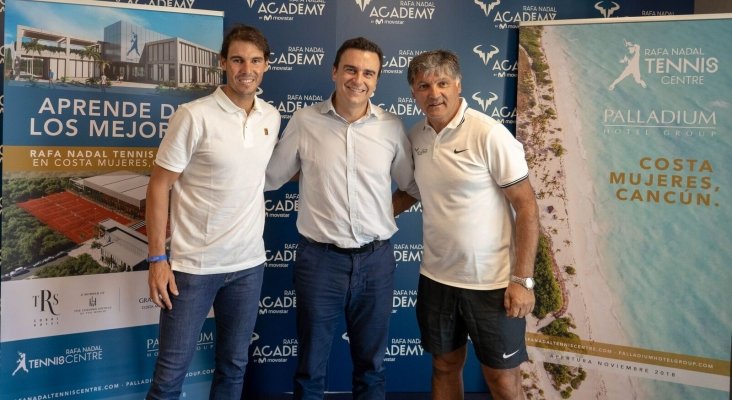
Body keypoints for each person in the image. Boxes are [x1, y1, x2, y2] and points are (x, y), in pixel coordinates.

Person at [265, 37, 419, 400]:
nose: (358, 79)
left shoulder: (392, 127)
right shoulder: (304, 121)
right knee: (310, 369)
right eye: (351, 69)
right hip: (319, 262)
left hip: (377, 261)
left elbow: (412, 186)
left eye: (368, 72)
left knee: (372, 369)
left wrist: (380, 212)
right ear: (335, 71)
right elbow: (272, 176)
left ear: (378, 80)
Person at [145, 24, 280, 400]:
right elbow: (159, 185)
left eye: (255, 60)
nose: (246, 69)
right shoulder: (193, 115)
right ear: (223, 63)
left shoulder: (271, 117)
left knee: (234, 368)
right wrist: (157, 257)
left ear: (266, 65)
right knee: (170, 377)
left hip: (248, 266)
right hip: (192, 268)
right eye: (237, 60)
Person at [405, 50, 539, 400]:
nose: (434, 93)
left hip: (492, 284)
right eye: (424, 85)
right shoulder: (416, 137)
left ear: (458, 85)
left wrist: (523, 280)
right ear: (413, 93)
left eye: (442, 83)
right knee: (444, 366)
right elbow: (414, 192)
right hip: (437, 279)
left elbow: (526, 206)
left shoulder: (489, 133)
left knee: (502, 380)